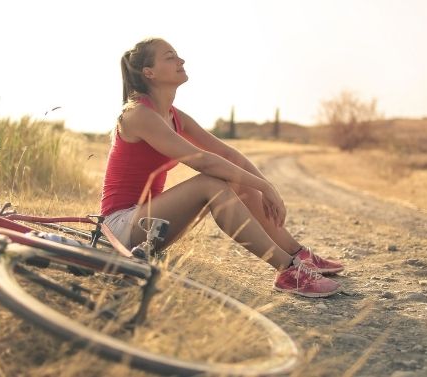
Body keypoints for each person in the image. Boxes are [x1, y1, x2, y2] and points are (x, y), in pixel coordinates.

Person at [100, 37, 344, 298]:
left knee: (239, 180)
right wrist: (263, 186)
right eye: (170, 57)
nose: (180, 60)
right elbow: (202, 160)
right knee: (211, 182)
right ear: (149, 73)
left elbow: (226, 153)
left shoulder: (174, 116)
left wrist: (265, 186)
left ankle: (298, 255)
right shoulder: (137, 114)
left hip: (151, 226)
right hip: (119, 228)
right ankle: (287, 270)